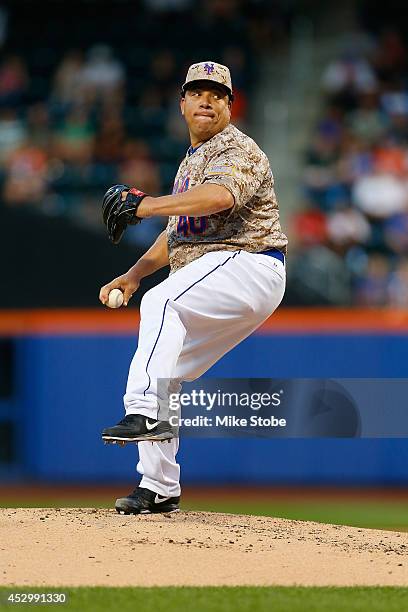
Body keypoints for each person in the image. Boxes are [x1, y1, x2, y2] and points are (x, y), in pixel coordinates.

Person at [99, 61, 288, 515]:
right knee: (169, 374)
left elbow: (220, 197)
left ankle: (142, 410)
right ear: (182, 103)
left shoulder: (236, 148)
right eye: (197, 92)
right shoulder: (190, 163)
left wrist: (144, 206)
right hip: (222, 272)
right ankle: (158, 486)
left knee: (163, 302)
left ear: (229, 104)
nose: (206, 100)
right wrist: (135, 273)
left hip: (251, 264)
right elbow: (181, 230)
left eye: (217, 93)